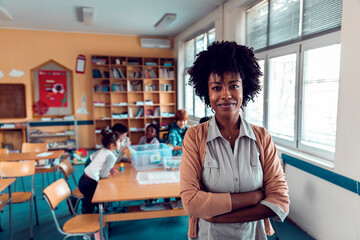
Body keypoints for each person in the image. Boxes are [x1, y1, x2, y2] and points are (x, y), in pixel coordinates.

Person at [180, 41, 290, 239]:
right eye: (216, 87)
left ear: (244, 88)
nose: (225, 95)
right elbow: (191, 202)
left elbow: (280, 201)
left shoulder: (262, 137)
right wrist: (254, 197)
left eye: (233, 86)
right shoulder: (194, 137)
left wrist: (217, 216)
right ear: (207, 92)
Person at [78, 128, 120, 213]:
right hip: (89, 184)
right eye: (119, 141)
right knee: (91, 205)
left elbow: (100, 165)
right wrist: (108, 172)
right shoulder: (111, 156)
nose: (120, 143)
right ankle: (89, 220)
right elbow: (103, 175)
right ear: (112, 145)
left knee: (91, 201)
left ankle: (82, 202)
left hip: (84, 180)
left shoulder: (103, 150)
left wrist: (109, 169)